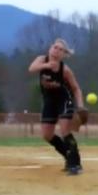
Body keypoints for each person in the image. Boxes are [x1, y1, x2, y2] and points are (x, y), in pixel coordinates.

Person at [28, 38, 85, 175]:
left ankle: (75, 164)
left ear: (63, 55)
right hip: (49, 102)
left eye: (61, 50)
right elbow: (31, 69)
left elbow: (76, 89)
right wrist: (47, 66)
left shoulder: (65, 70)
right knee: (47, 135)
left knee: (65, 130)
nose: (57, 51)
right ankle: (68, 155)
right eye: (55, 47)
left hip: (64, 100)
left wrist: (81, 106)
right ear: (50, 48)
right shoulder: (41, 59)